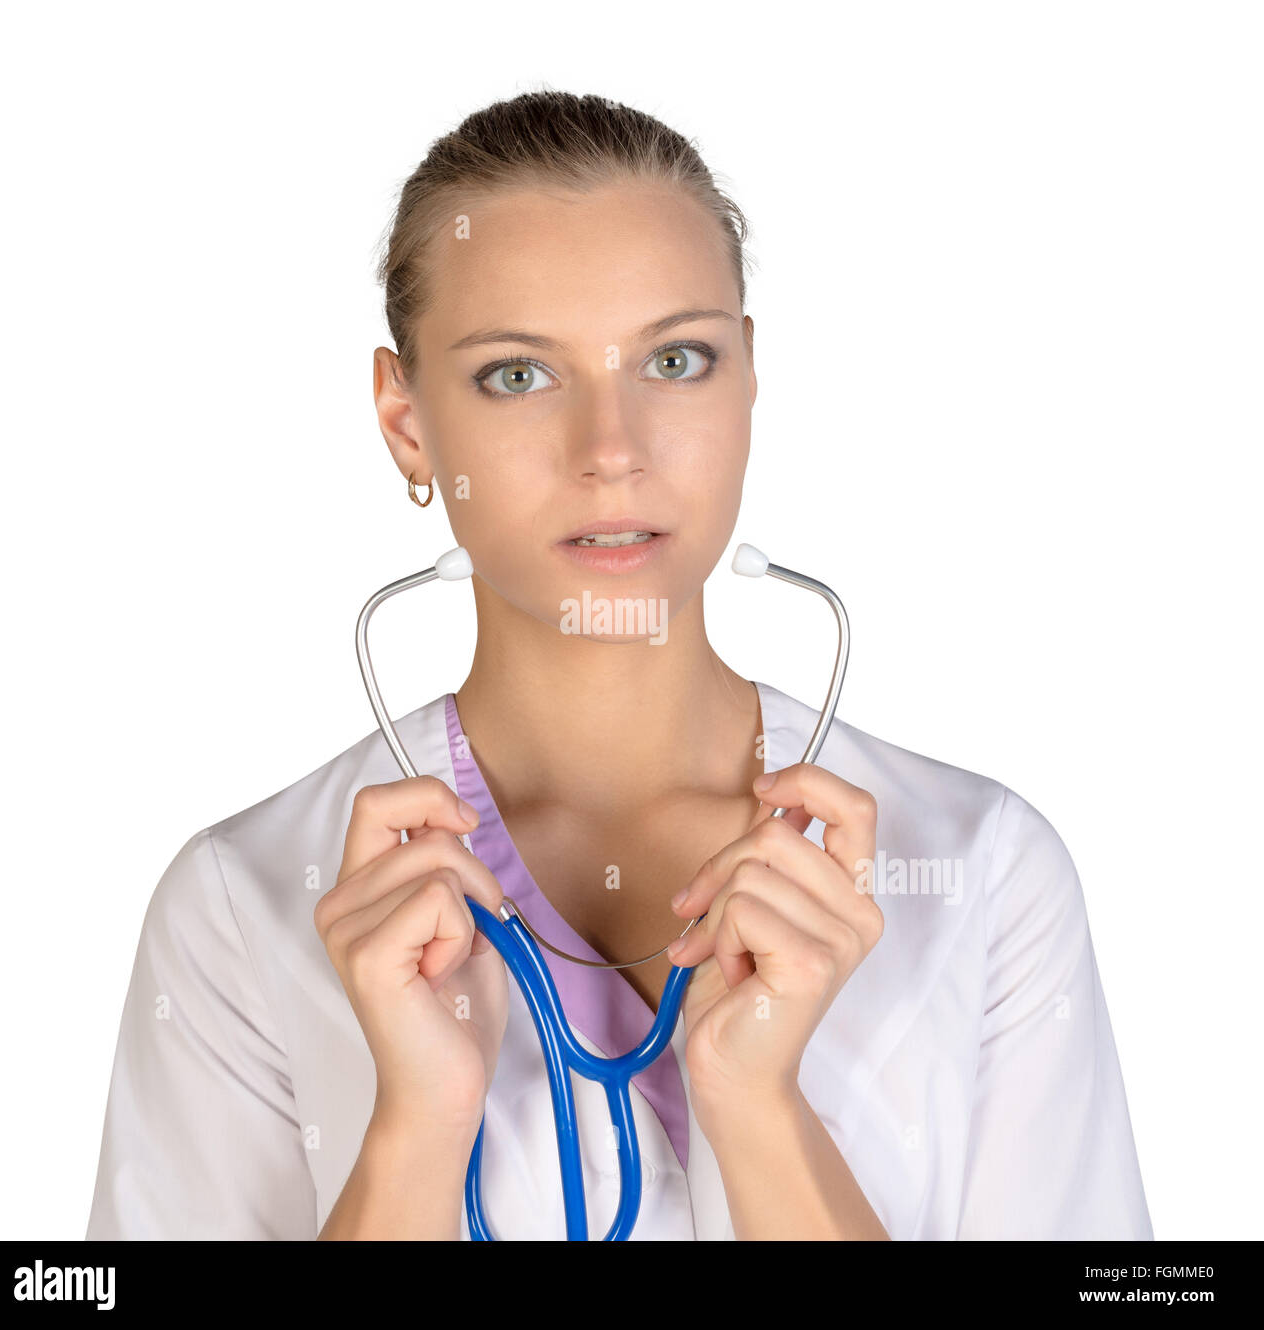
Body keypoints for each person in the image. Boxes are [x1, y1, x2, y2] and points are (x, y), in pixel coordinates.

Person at [86, 89, 1152, 1241]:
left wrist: (757, 1107)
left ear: (749, 380)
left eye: (677, 359)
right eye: (517, 375)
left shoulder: (983, 876)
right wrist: (416, 1129)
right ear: (404, 419)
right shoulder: (245, 907)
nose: (612, 452)